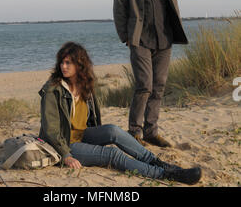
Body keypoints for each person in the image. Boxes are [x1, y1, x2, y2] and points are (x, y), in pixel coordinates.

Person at [38, 41, 201, 185]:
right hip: (64, 145)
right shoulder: (53, 89)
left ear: (79, 64)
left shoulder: (84, 85)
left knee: (113, 130)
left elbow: (91, 121)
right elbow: (51, 129)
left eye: (68, 63)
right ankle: (165, 174)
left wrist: (97, 137)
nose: (63, 66)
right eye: (62, 62)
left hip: (80, 135)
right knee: (112, 154)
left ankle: (158, 163)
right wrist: (66, 155)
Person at [113, 0, 188, 148]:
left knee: (158, 87)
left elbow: (174, 7)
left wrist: (174, 32)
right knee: (144, 85)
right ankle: (134, 132)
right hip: (140, 40)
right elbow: (119, 9)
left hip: (164, 40)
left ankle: (151, 132)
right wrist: (125, 36)